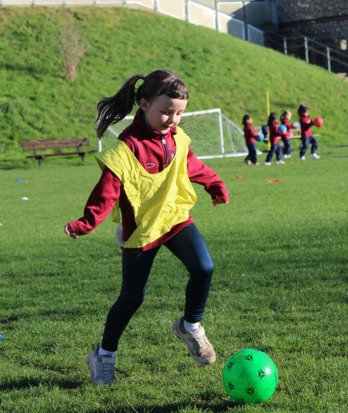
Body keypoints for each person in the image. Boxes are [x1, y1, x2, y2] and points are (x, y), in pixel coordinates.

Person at [64, 70, 229, 385]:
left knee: (204, 267)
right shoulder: (127, 147)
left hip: (175, 217)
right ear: (143, 104)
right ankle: (103, 355)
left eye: (179, 112)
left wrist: (214, 184)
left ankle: (190, 326)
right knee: (132, 297)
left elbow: (192, 164)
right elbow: (106, 192)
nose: (173, 119)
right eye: (166, 111)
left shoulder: (178, 137)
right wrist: (85, 223)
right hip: (141, 229)